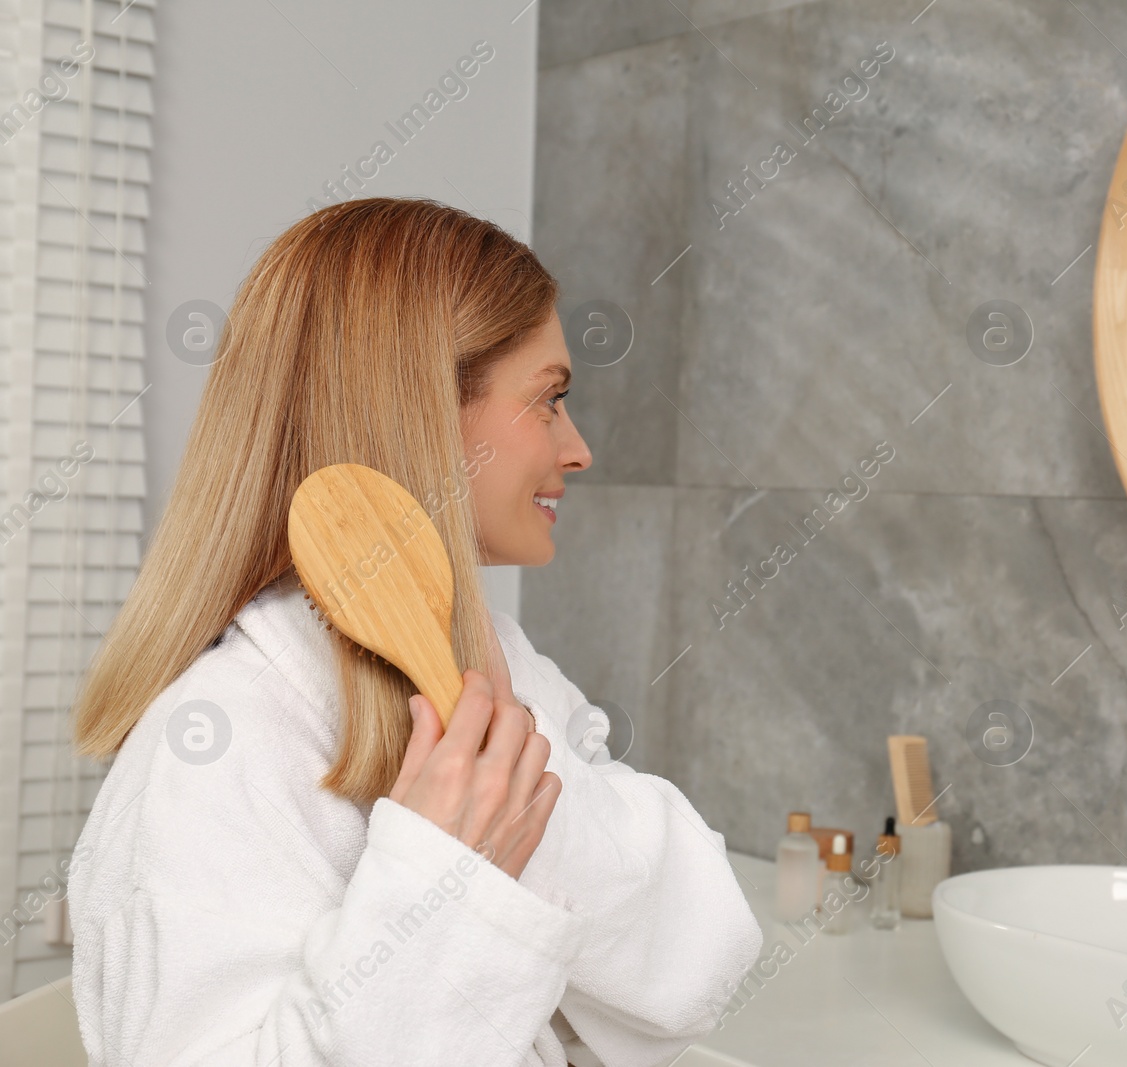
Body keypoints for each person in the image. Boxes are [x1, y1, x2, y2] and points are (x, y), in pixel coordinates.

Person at [68, 198, 762, 1066]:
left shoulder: (500, 666)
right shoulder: (213, 745)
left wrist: (520, 810)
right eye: (550, 401)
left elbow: (706, 962)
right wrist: (445, 882)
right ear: (426, 411)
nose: (578, 447)